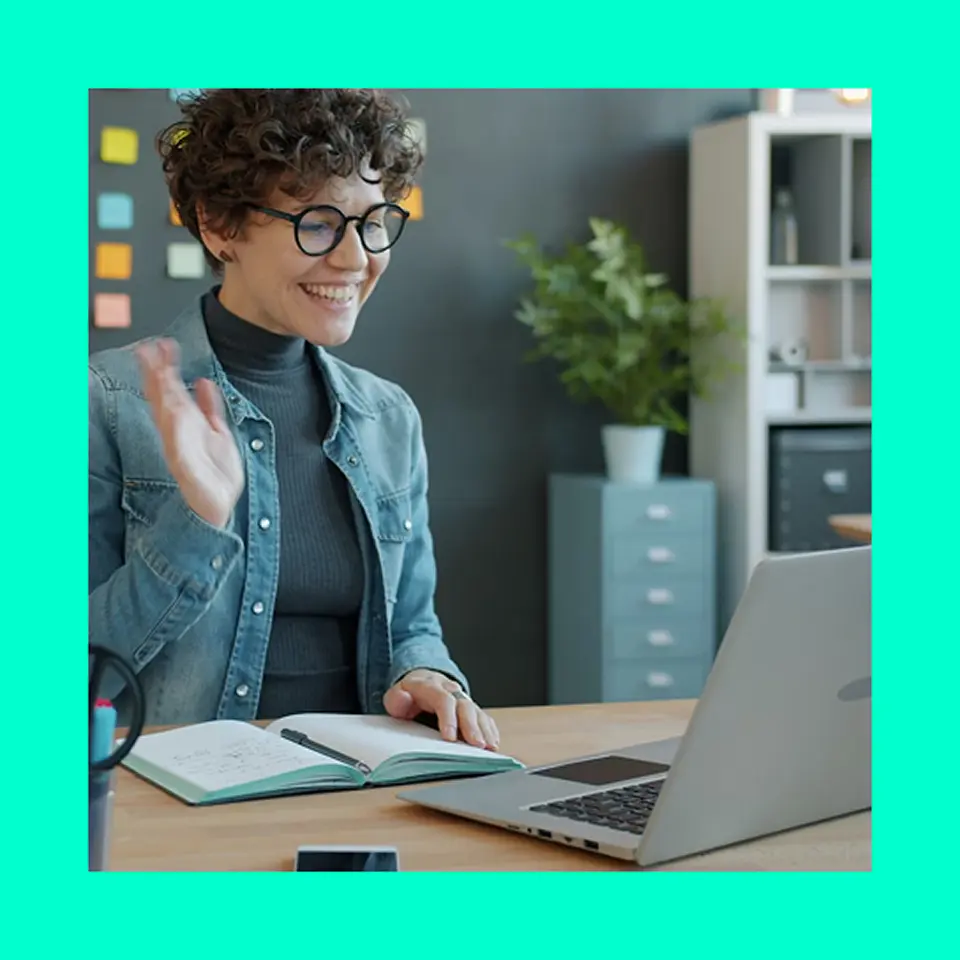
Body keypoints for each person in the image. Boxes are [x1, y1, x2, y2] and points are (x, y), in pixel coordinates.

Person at [88, 88, 499, 751]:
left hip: (358, 787)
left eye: (372, 222)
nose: (355, 258)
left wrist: (426, 674)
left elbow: (413, 624)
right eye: (318, 223)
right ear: (220, 226)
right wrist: (196, 523)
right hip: (178, 792)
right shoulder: (104, 402)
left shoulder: (388, 418)